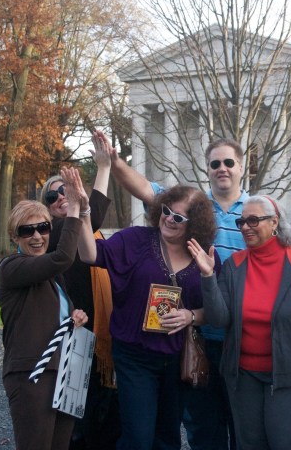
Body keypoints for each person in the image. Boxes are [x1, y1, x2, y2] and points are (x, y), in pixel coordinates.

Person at [98, 129, 244, 449]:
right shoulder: (190, 204)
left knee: (242, 424)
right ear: (207, 168)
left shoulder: (255, 211)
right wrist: (112, 160)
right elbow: (143, 188)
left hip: (238, 335)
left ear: (241, 167)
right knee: (201, 426)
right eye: (214, 162)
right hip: (194, 336)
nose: (222, 168)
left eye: (229, 162)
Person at [68, 165, 221, 450]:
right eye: (165, 211)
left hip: (177, 358)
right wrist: (83, 212)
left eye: (178, 217)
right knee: (138, 437)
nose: (169, 220)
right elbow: (89, 254)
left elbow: (215, 312)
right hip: (134, 356)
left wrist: (190, 315)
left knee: (167, 438)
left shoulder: (203, 255)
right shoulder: (136, 240)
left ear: (195, 223)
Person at [188, 195, 291, 450]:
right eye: (242, 221)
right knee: (250, 442)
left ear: (274, 222)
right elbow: (220, 320)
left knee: (285, 440)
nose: (244, 227)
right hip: (243, 376)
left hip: (287, 375)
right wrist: (208, 276)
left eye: (253, 220)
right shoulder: (234, 266)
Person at [40, 133, 121, 449]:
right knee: (77, 421)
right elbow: (92, 216)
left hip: (105, 335)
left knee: (109, 417)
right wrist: (103, 167)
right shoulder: (55, 232)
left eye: (66, 190)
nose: (60, 196)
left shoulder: (97, 237)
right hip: (75, 337)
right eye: (52, 196)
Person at [0, 195, 89, 450]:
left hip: (66, 370)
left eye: (43, 228)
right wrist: (74, 212)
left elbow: (49, 315)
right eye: (26, 230)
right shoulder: (12, 267)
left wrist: (73, 320)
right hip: (33, 373)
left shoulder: (53, 276)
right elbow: (62, 257)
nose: (37, 236)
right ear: (15, 237)